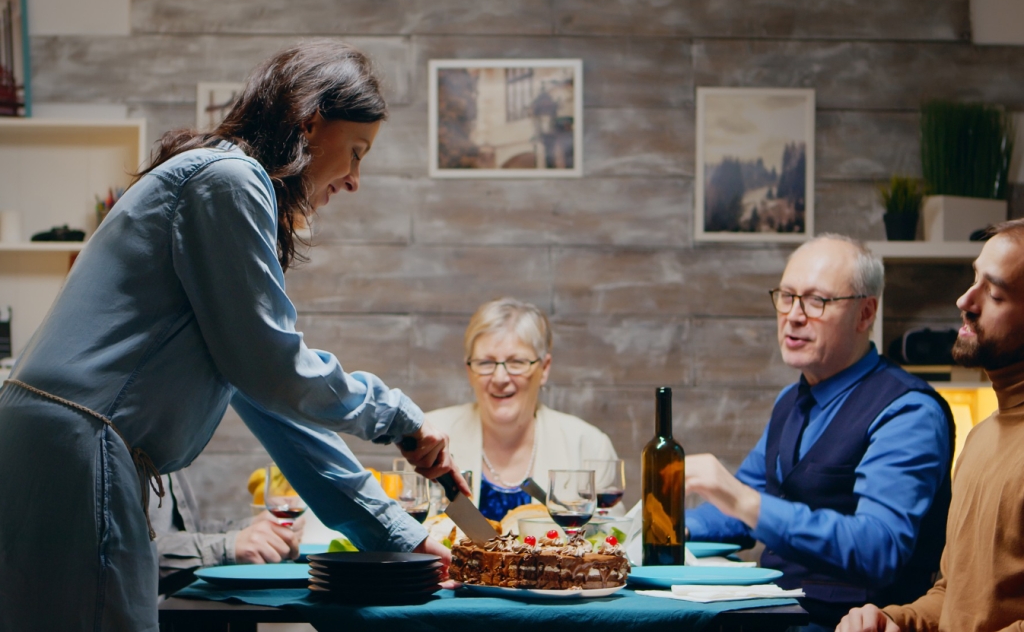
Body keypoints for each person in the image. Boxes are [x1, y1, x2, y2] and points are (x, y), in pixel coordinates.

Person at [0, 41, 468, 631]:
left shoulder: (218, 183)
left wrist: (398, 533)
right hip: (77, 449)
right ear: (308, 121)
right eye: (355, 152)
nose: (354, 180)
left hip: (55, 446)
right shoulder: (229, 179)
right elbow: (276, 371)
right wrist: (399, 417)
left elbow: (274, 399)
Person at [684, 234, 954, 629]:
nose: (794, 314)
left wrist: (743, 500)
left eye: (816, 301)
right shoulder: (789, 401)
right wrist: (664, 528)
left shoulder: (908, 411)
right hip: (772, 612)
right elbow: (740, 510)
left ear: (865, 314)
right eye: (787, 296)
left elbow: (878, 548)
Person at [837, 219, 1024, 632]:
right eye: (974, 279)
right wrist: (891, 620)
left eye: (993, 293)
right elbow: (952, 596)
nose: (965, 300)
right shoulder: (980, 437)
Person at [426, 297, 619, 522]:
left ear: (544, 369)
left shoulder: (589, 446)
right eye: (486, 363)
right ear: (469, 371)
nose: (500, 378)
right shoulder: (430, 438)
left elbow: (613, 542)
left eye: (516, 362)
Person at [150, 470, 306, 596]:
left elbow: (187, 531)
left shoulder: (170, 458)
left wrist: (250, 527)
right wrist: (228, 547)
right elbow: (130, 559)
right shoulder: (128, 456)